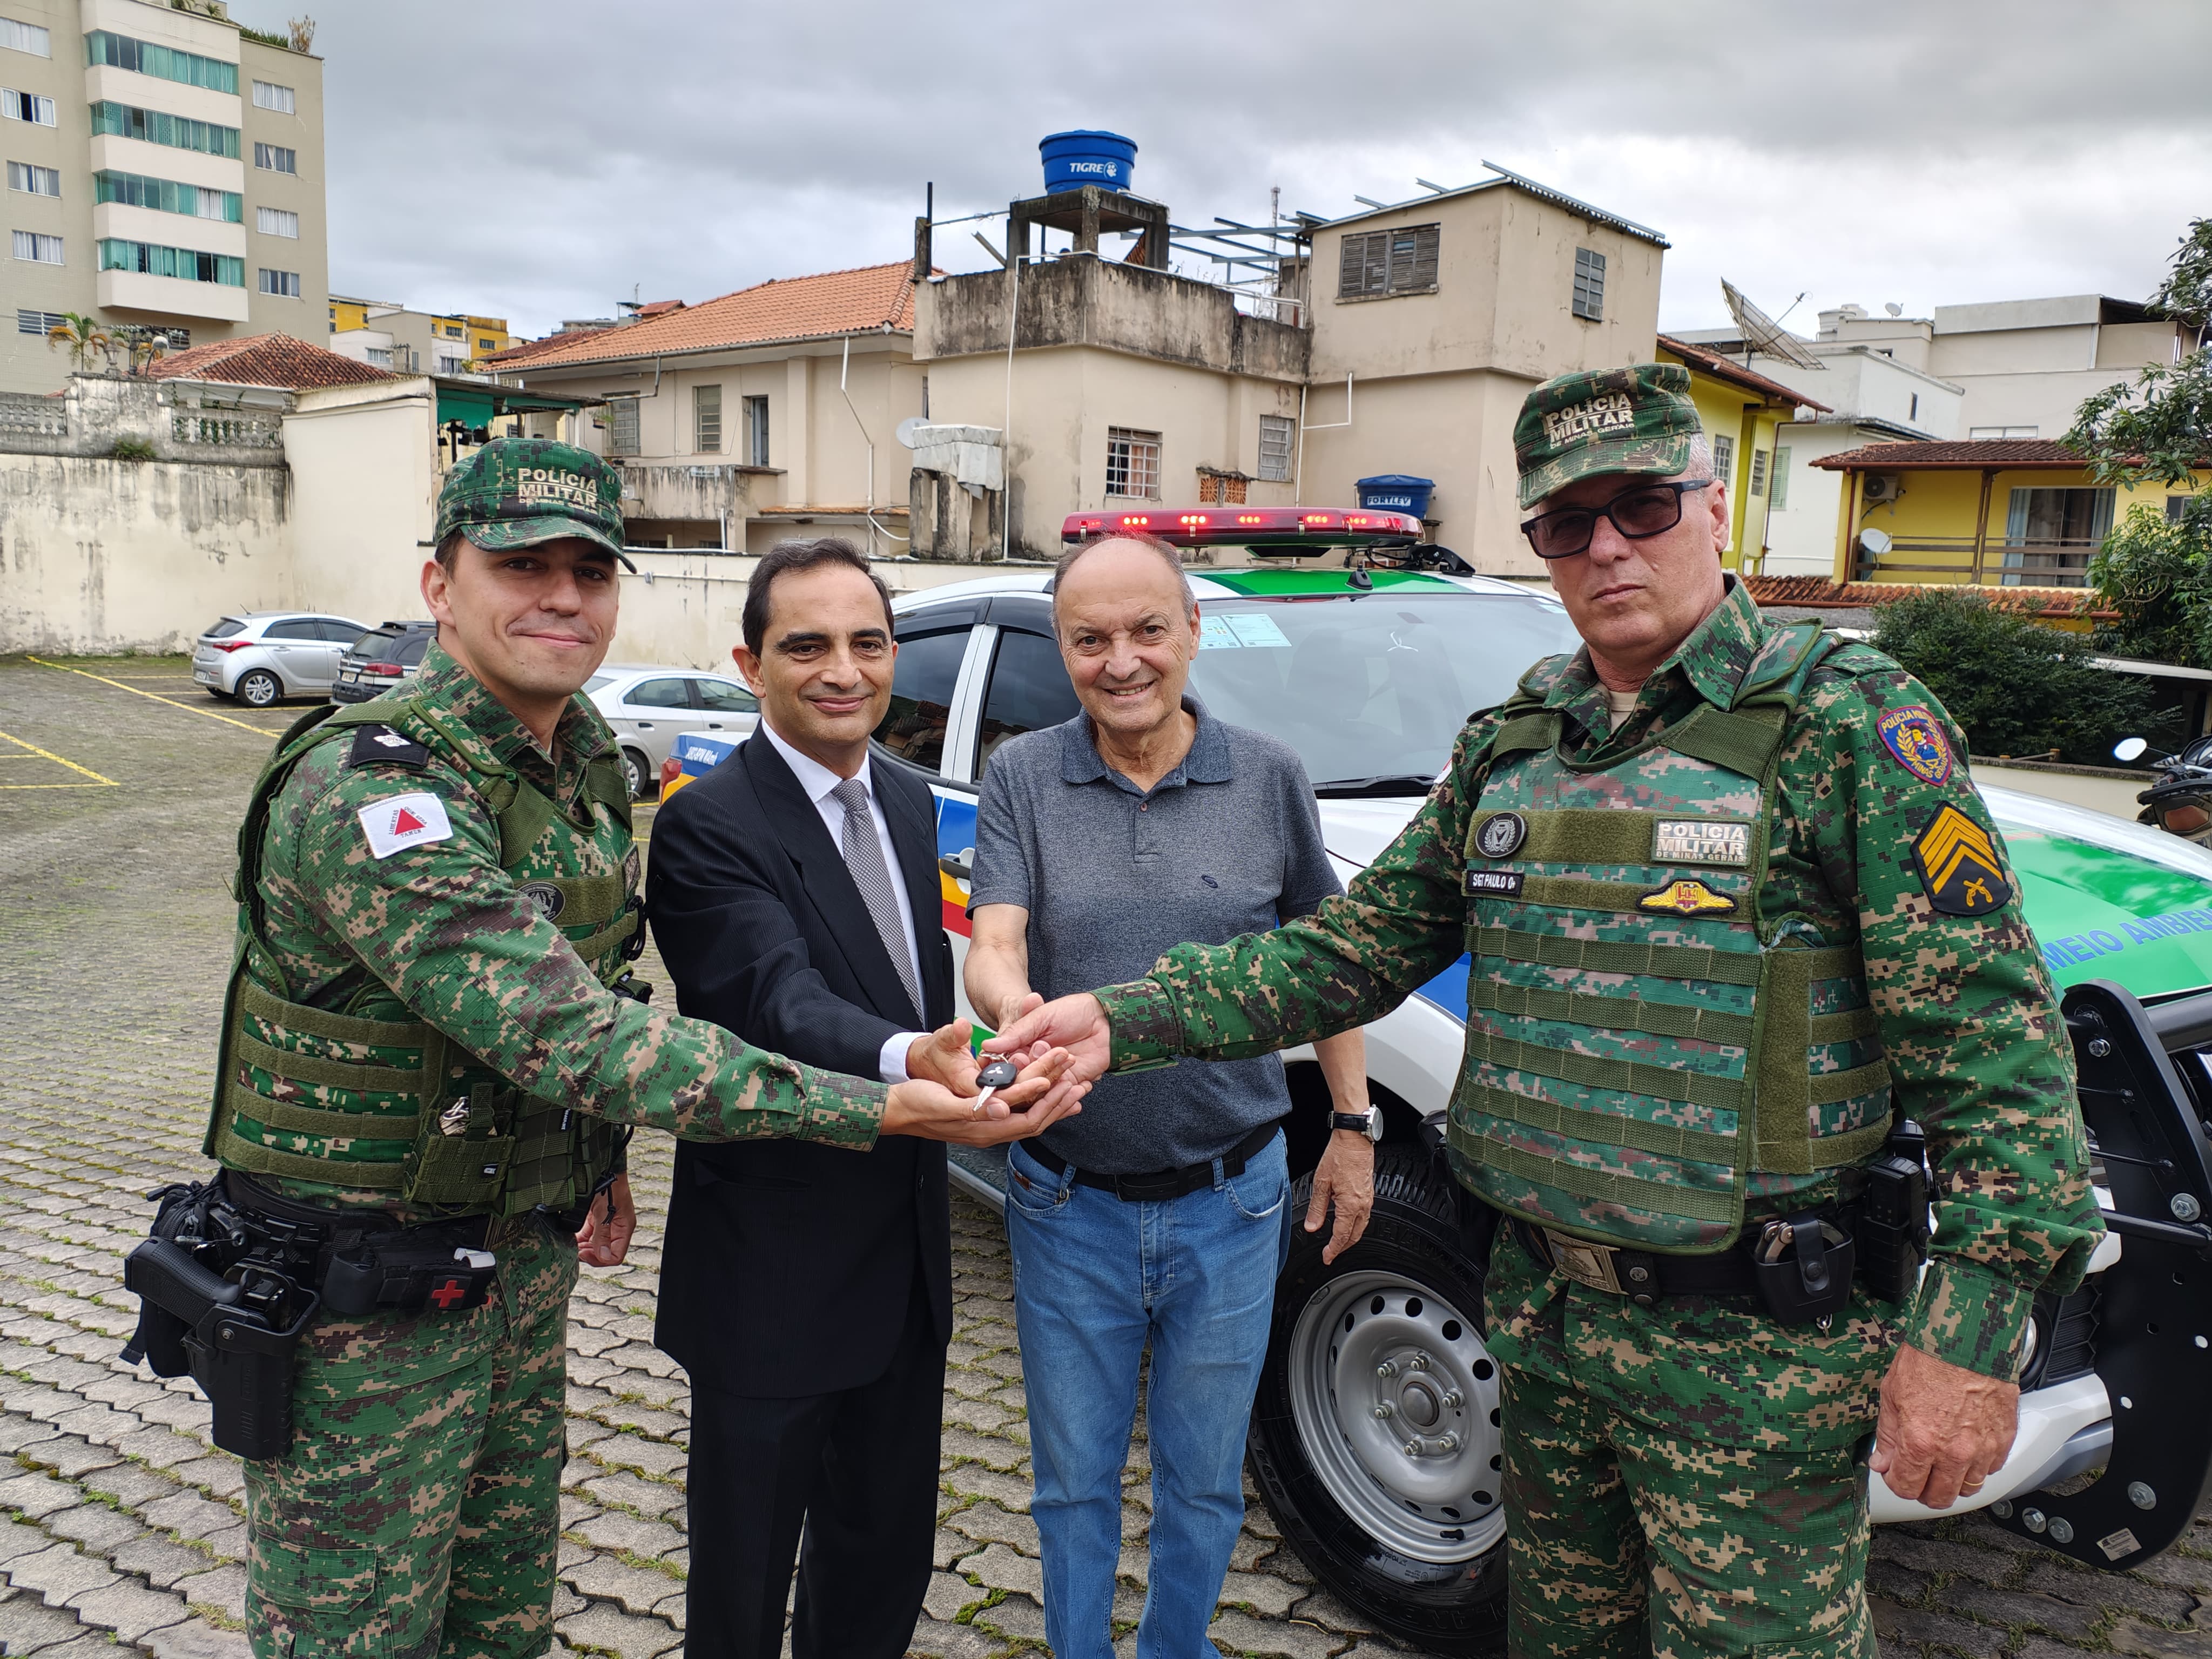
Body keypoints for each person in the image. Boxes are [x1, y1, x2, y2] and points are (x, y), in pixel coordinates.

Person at [989, 366, 2106, 1658]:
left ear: (1710, 507)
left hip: (1751, 1357)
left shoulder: (1845, 721)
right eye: (1566, 524)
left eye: (1638, 506)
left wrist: (1960, 1346)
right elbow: (1346, 952)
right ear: (1537, 544)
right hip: (1545, 1329)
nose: (1606, 547)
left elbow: (1999, 1067)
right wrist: (1125, 1021)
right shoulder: (1517, 743)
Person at [179, 440, 1082, 1659]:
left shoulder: (583, 770)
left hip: (511, 1268)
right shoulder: (373, 787)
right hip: (363, 1298)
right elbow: (574, 1030)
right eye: (520, 565)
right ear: (441, 584)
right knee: (358, 1630)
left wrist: (597, 1159)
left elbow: (598, 968)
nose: (560, 596)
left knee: (501, 1617)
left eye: (589, 571)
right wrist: (877, 1105)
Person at [963, 532, 1380, 1659]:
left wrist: (1349, 1127)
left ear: (1191, 630)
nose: (1122, 661)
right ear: (1062, 648)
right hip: (1067, 1199)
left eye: (1147, 630)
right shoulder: (1020, 777)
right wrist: (1014, 1008)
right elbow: (993, 942)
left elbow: (1330, 966)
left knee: (1201, 1484)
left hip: (1232, 1203)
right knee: (1070, 1485)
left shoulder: (1270, 778)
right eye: (1089, 639)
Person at [645, 538, 968, 1656]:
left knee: (883, 1560)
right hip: (771, 1280)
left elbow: (911, 972)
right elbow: (775, 999)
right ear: (751, 663)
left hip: (906, 1268)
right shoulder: (706, 822)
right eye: (808, 646)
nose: (844, 670)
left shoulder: (915, 803)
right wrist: (912, 1057)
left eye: (867, 642)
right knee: (742, 1588)